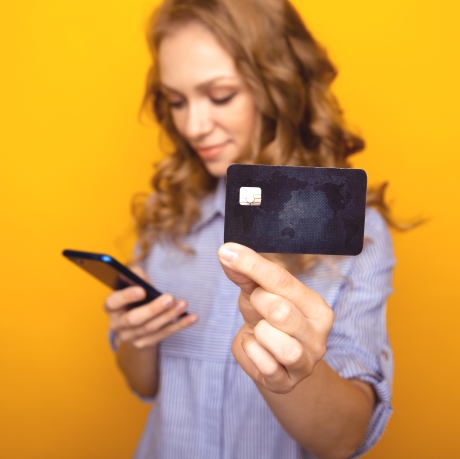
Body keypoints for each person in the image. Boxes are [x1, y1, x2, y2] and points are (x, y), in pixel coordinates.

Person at [104, 1, 395, 458]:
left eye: (221, 96)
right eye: (176, 101)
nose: (194, 126)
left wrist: (294, 372)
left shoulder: (357, 233)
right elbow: (145, 384)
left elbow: (343, 438)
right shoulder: (168, 216)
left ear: (279, 87)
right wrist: (137, 337)